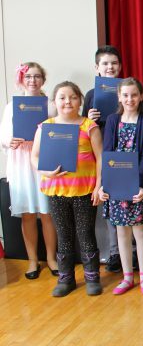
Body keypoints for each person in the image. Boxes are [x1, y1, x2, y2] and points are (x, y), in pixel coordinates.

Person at [31, 81, 103, 297]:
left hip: (84, 191)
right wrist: (46, 171)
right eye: (62, 97)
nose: (67, 102)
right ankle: (66, 279)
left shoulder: (89, 126)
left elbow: (100, 158)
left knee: (86, 233)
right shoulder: (45, 126)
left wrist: (99, 186)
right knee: (64, 235)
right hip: (56, 191)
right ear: (55, 102)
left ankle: (92, 277)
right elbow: (34, 157)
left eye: (72, 97)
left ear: (80, 100)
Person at [99, 78, 143, 295]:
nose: (130, 99)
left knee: (140, 231)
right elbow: (107, 153)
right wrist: (105, 184)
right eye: (125, 95)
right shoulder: (113, 120)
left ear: (141, 96)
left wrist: (140, 185)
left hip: (138, 184)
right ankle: (127, 277)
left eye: (134, 95)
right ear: (119, 97)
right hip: (116, 183)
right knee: (121, 232)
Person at [0, 62, 57, 279]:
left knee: (48, 213)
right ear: (22, 79)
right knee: (28, 214)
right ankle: (33, 260)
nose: (32, 80)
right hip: (21, 163)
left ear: (43, 79)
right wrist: (10, 141)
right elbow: (4, 136)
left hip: (44, 163)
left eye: (37, 76)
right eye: (28, 76)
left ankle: (52, 258)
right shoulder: (10, 106)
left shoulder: (51, 105)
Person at [82, 45, 125, 273]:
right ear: (97, 68)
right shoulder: (91, 95)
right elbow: (82, 128)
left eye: (114, 63)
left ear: (120, 66)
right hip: (103, 155)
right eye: (105, 64)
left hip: (126, 153)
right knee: (109, 203)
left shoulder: (127, 89)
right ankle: (115, 252)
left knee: (129, 200)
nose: (110, 67)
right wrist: (89, 118)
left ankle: (133, 251)